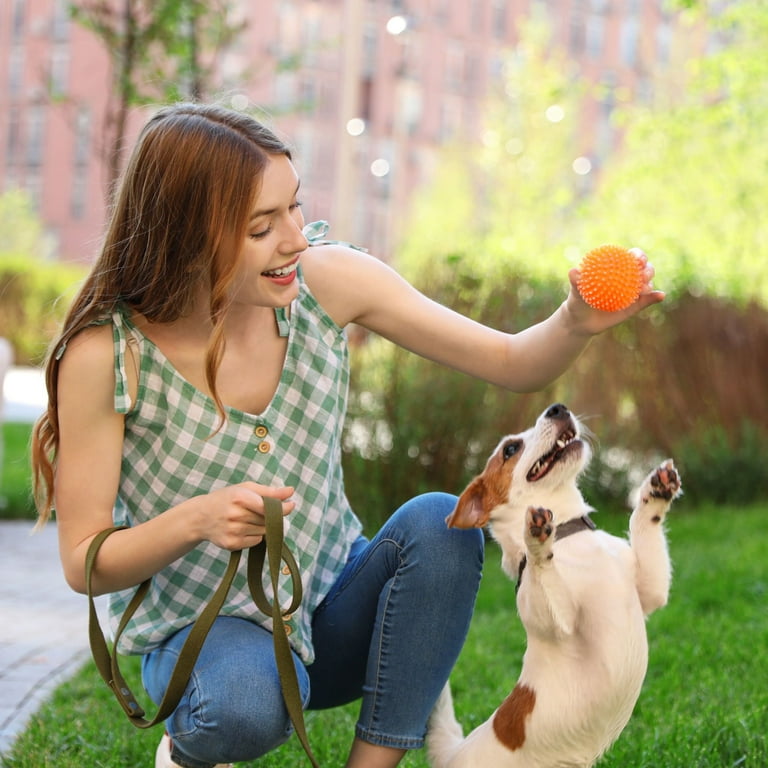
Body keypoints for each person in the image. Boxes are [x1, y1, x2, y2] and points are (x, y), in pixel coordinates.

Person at [31, 102, 663, 768]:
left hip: (329, 615)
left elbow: (511, 363)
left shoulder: (326, 284)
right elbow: (84, 560)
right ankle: (188, 750)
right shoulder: (109, 356)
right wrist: (194, 521)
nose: (295, 239)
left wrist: (573, 319)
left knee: (436, 526)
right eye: (261, 227)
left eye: (295, 209)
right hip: (205, 643)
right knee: (243, 703)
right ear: (187, 235)